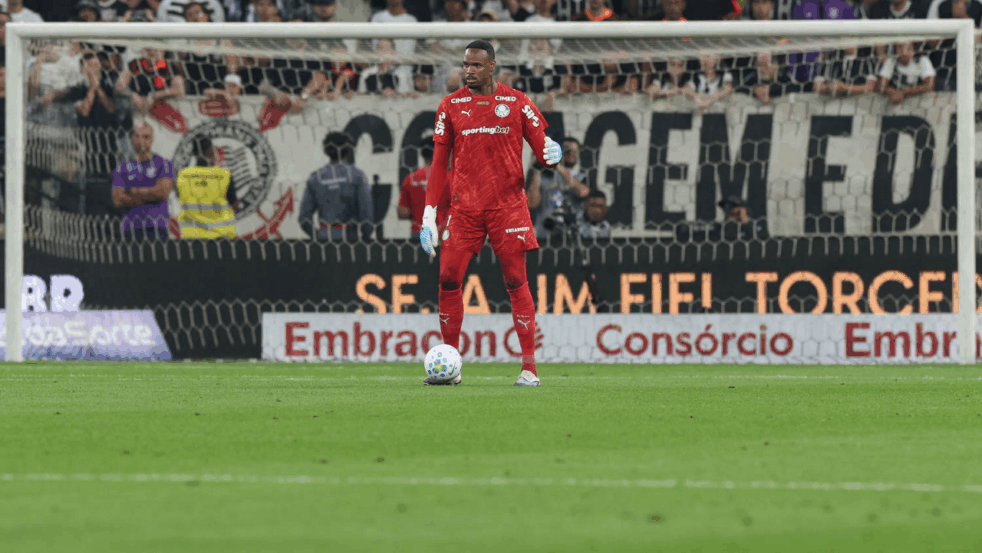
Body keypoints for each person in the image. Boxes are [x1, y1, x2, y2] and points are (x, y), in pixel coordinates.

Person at [418, 40, 562, 387]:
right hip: (464, 208)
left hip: (507, 207)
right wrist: (429, 214)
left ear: (492, 67)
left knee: (515, 281)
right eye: (466, 64)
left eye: (477, 65)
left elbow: (543, 150)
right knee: (448, 278)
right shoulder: (450, 106)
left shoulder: (517, 101)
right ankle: (451, 367)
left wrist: (551, 154)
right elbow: (439, 164)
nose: (469, 71)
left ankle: (529, 368)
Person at [298, 132, 375, 242]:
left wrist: (317, 236)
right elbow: (366, 213)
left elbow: (304, 218)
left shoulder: (315, 178)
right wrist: (366, 236)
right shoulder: (357, 176)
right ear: (348, 150)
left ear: (326, 151)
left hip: (324, 237)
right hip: (350, 238)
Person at [111, 123, 175, 240]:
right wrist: (150, 195)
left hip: (156, 228)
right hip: (129, 229)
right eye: (138, 136)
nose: (142, 141)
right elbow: (118, 200)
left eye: (146, 137)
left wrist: (134, 192)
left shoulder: (164, 164)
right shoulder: (122, 167)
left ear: (152, 139)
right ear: (132, 138)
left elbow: (162, 192)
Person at [176, 136, 237, 239]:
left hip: (191, 237)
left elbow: (181, 198)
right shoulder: (223, 175)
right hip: (220, 236)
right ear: (210, 152)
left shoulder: (183, 176)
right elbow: (234, 205)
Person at [398, 133, 451, 242]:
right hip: (443, 234)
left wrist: (418, 210)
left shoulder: (410, 179)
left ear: (422, 154)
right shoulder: (449, 178)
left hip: (418, 234)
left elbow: (402, 212)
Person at [878, 41, 936, 106]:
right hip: (895, 100)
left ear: (913, 50)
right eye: (900, 48)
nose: (904, 51)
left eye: (908, 48)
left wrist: (904, 92)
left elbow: (929, 86)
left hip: (920, 101)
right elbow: (881, 87)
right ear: (895, 50)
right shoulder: (891, 61)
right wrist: (892, 92)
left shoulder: (922, 60)